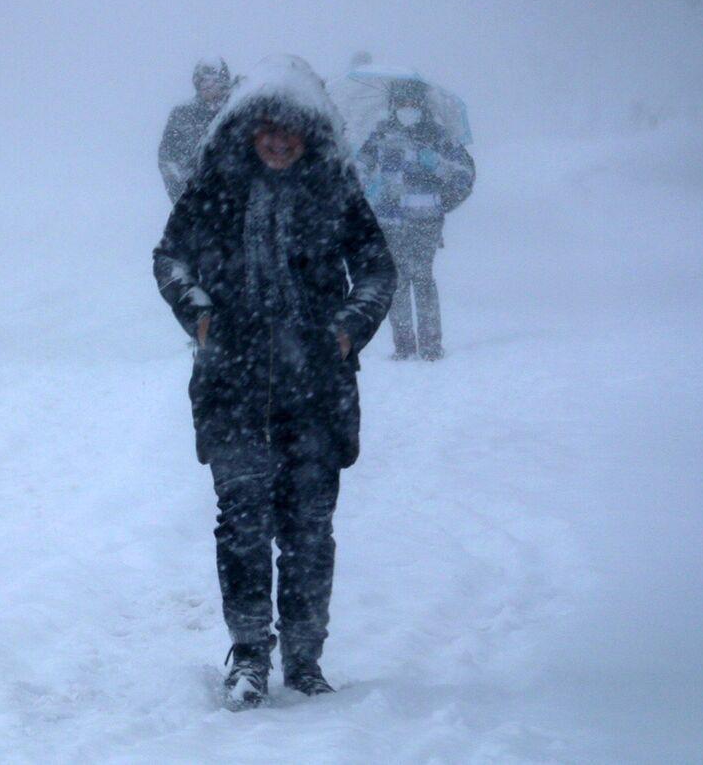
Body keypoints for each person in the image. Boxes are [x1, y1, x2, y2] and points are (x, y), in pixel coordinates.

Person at [153, 55, 396, 710]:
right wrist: (198, 311)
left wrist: (350, 324)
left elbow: (377, 270)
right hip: (233, 389)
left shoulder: (336, 191)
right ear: (249, 129)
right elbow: (169, 257)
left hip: (316, 393)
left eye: (293, 130)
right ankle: (251, 655)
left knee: (310, 529)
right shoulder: (214, 189)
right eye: (269, 128)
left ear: (310, 133)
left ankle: (306, 658)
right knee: (242, 524)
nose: (280, 139)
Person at [356, 79, 474, 360]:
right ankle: (404, 345)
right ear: (393, 106)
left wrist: (437, 165)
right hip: (389, 221)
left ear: (421, 105)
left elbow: (464, 175)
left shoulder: (437, 136)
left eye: (412, 104)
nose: (407, 109)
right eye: (401, 104)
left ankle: (431, 344)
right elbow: (359, 168)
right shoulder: (381, 135)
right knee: (396, 282)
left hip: (425, 221)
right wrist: (369, 186)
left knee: (422, 278)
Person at [158, 57, 234, 204]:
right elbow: (167, 161)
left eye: (212, 80)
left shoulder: (237, 110)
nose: (205, 85)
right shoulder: (182, 114)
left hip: (235, 204)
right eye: (200, 80)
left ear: (223, 81)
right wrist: (183, 197)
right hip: (194, 204)